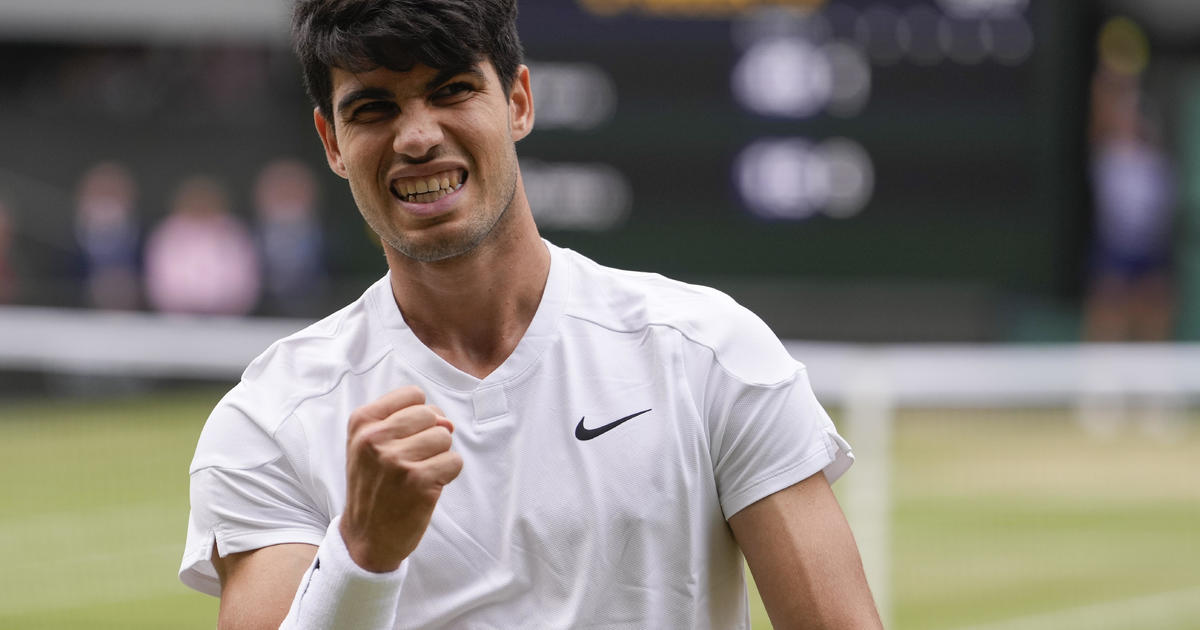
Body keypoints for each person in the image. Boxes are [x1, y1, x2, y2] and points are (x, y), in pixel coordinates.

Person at [179, 1, 882, 628]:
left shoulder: (707, 352)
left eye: (451, 89)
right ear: (332, 142)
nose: (417, 136)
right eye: (374, 109)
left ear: (518, 100)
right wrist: (362, 554)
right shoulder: (270, 420)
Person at [144, 176, 261, 316]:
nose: (200, 205)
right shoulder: (168, 231)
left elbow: (245, 277)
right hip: (176, 318)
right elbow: (159, 277)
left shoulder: (234, 231)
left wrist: (226, 306)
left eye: (206, 201)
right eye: (195, 201)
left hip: (228, 318)